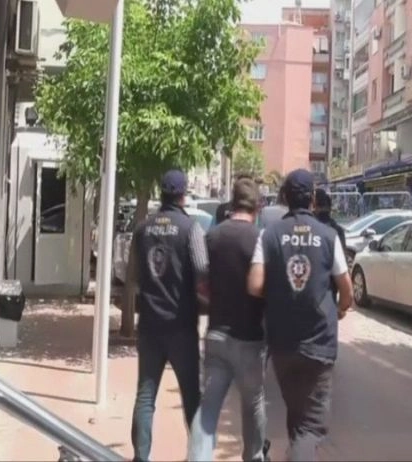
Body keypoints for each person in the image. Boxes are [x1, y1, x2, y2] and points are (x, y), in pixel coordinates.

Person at [247, 169, 353, 462]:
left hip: (282, 343)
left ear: (284, 197)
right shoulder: (328, 236)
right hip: (319, 343)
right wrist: (341, 308)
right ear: (313, 198)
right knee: (312, 426)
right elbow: (346, 288)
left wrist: (279, 292)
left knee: (297, 415)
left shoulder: (269, 235)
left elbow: (254, 285)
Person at [188, 178, 269, 462]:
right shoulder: (260, 239)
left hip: (216, 336)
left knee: (208, 408)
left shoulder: (212, 236)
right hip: (250, 337)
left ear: (232, 204)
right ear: (257, 207)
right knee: (254, 403)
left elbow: (201, 283)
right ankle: (254, 457)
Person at [130, 169, 208, 462]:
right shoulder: (191, 229)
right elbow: (202, 271)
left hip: (150, 325)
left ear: (160, 193)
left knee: (145, 395)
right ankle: (198, 456)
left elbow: (133, 275)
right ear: (183, 194)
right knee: (192, 396)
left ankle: (142, 457)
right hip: (181, 325)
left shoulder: (142, 229)